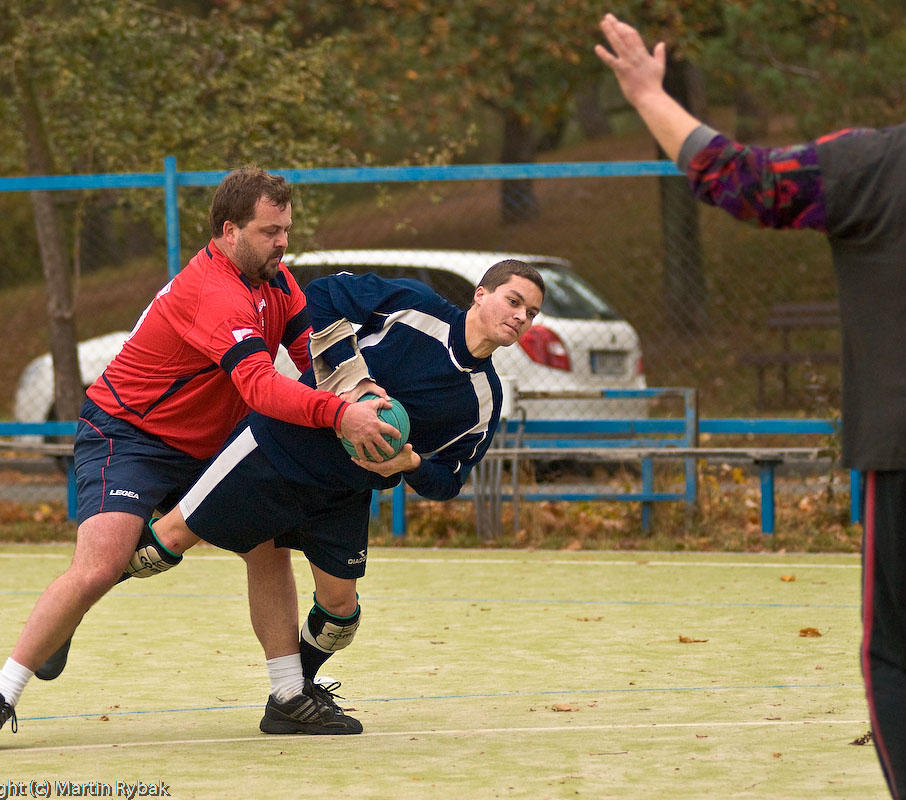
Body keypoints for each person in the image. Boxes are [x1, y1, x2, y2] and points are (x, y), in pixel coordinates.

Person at [0, 166, 397, 753]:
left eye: (287, 229)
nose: (283, 242)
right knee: (100, 566)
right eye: (270, 232)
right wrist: (340, 416)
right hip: (130, 434)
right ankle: (0, 696)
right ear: (229, 231)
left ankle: (289, 696)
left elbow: (312, 352)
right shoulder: (215, 292)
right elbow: (260, 387)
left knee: (266, 542)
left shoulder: (277, 282)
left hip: (207, 443)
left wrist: (359, 391)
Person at [595, 12, 906, 799]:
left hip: (901, 452)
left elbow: (742, 179)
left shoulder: (876, 165)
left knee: (897, 655)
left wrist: (648, 94)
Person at [139, 260, 545, 735]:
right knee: (157, 549)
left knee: (340, 618)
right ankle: (72, 607)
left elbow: (450, 480)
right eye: (513, 301)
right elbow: (322, 295)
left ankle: (289, 695)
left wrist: (410, 465)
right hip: (280, 447)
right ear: (481, 294)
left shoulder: (484, 398)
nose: (520, 316)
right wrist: (352, 378)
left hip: (345, 493)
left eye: (531, 313)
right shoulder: (415, 306)